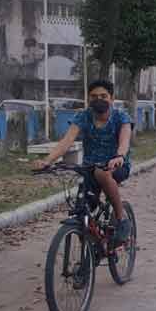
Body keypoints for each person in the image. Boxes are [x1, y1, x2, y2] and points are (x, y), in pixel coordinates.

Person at [32, 80, 132, 242]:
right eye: (93, 96)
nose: (98, 100)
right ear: (88, 99)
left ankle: (121, 219)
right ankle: (87, 256)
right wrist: (47, 161)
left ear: (112, 98)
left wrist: (119, 156)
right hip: (89, 167)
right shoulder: (83, 116)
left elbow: (125, 140)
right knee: (82, 210)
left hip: (117, 165)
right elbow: (67, 140)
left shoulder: (121, 117)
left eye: (103, 96)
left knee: (102, 174)